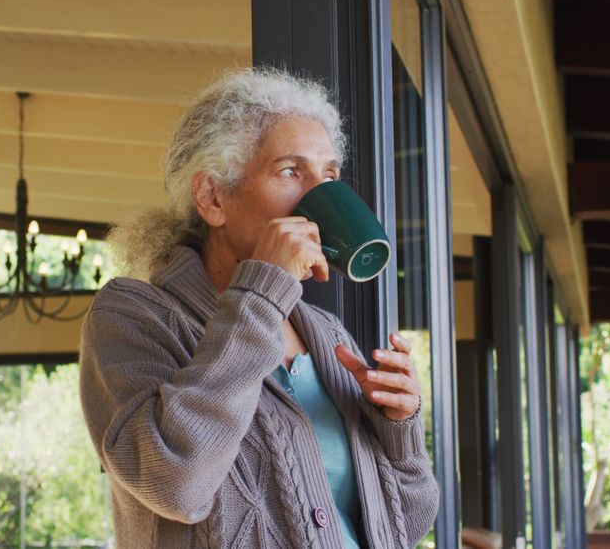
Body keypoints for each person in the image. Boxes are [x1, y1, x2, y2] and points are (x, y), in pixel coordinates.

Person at [79, 68, 438, 548]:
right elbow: (176, 483)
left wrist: (400, 428)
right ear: (213, 198)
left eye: (329, 175)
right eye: (291, 171)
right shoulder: (132, 316)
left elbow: (407, 524)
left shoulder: (327, 336)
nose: (318, 195)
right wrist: (264, 290)